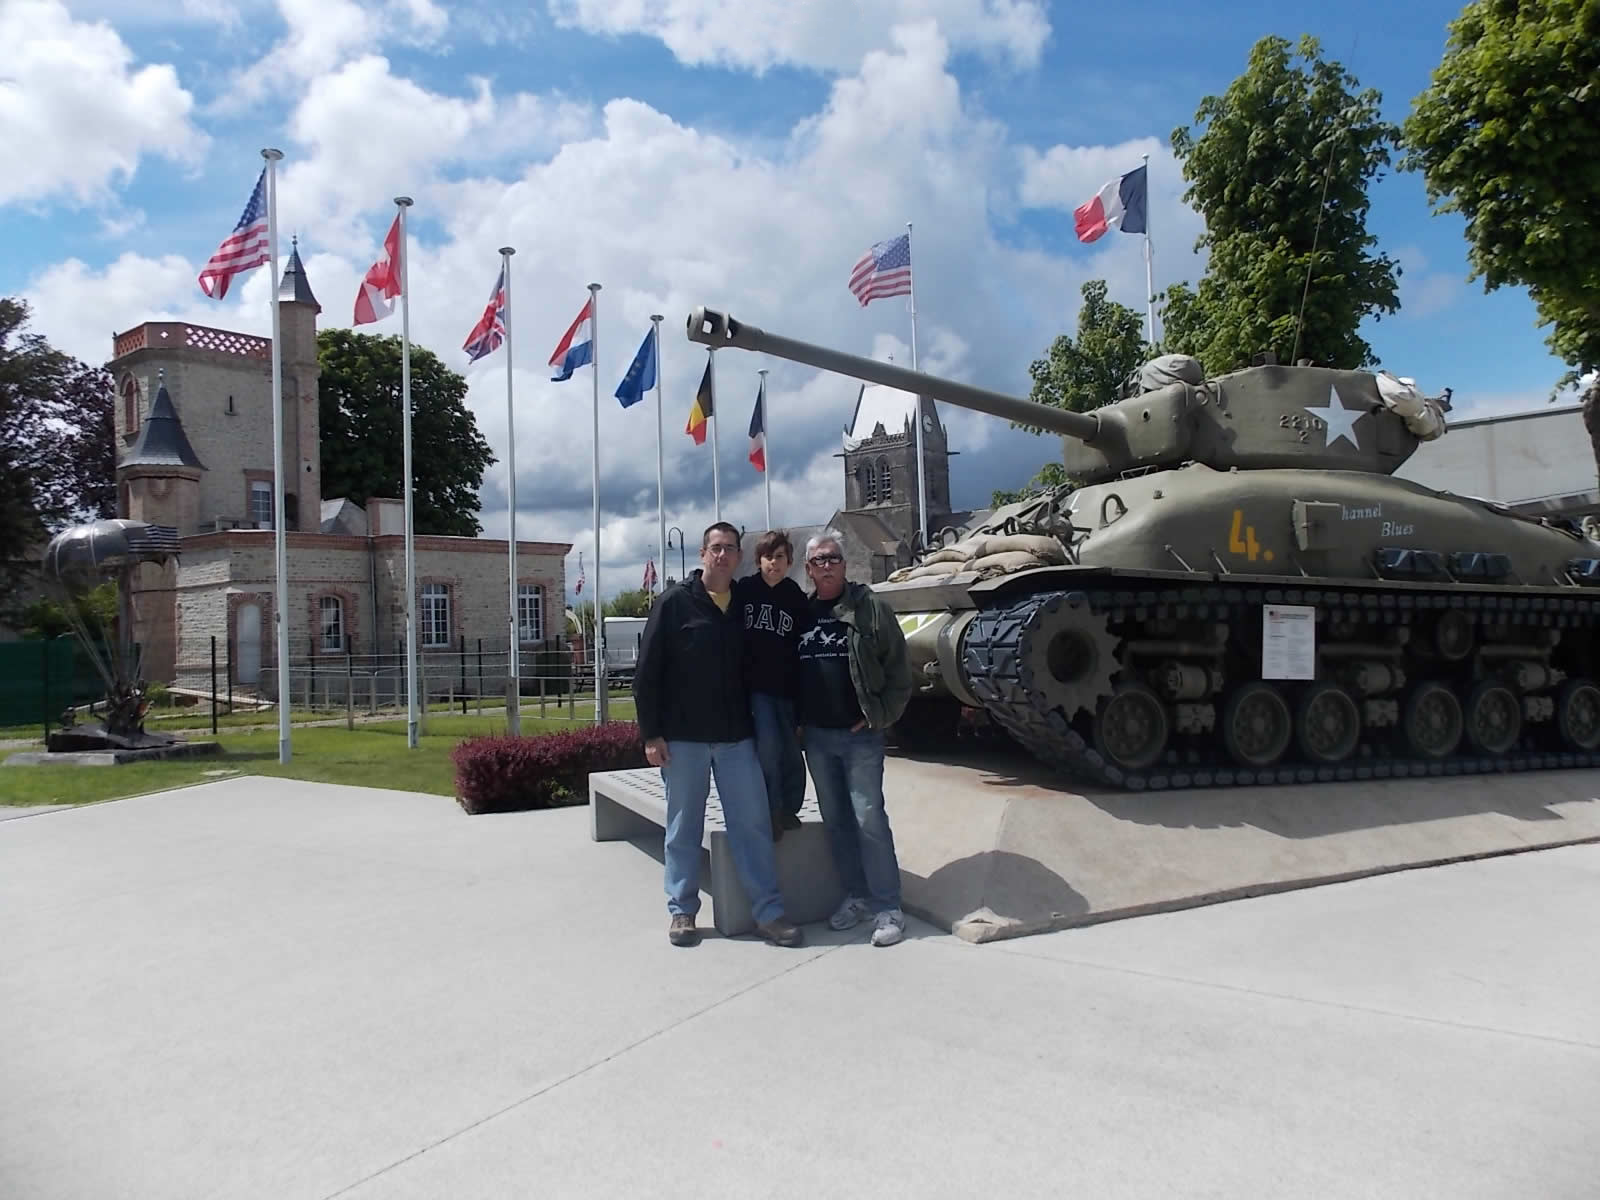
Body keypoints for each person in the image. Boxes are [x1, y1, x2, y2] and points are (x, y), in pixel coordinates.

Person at [633, 521, 803, 949]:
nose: (723, 555)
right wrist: (652, 734)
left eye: (730, 548)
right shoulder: (674, 603)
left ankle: (769, 914)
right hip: (685, 738)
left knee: (752, 826)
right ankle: (683, 911)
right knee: (683, 827)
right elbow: (646, 674)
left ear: (739, 556)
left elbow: (785, 615)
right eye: (716, 548)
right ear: (702, 554)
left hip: (735, 737)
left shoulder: (745, 601)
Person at [796, 530, 914, 947]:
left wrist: (878, 715)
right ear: (808, 570)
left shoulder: (871, 610)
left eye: (832, 559)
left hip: (859, 737)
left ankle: (889, 907)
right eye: (817, 561)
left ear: (844, 565)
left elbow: (900, 674)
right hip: (817, 737)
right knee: (838, 823)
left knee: (869, 819)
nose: (825, 566)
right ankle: (857, 896)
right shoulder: (802, 614)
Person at [733, 530, 810, 841]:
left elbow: (804, 647)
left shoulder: (796, 597)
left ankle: (790, 807)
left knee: (791, 751)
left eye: (779, 557)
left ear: (789, 561)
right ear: (758, 560)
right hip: (757, 688)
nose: (773, 563)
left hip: (788, 689)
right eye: (768, 557)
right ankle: (772, 810)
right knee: (767, 750)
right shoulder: (745, 591)